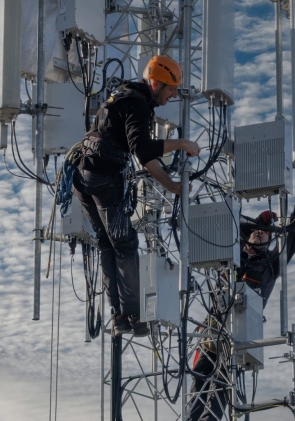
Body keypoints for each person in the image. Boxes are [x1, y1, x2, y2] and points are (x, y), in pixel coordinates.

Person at [72, 55, 200, 337]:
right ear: (155, 83)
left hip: (83, 177)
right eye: (170, 88)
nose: (174, 94)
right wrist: (181, 143)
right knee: (125, 244)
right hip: (103, 179)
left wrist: (172, 186)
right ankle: (133, 315)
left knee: (108, 244)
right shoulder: (137, 104)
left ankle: (119, 315)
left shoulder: (124, 96)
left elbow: (144, 157)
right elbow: (143, 150)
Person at [187, 178, 295, 421]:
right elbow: (225, 228)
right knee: (200, 377)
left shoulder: (270, 265)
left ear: (270, 240)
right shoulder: (230, 255)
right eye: (256, 230)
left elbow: (294, 239)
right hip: (212, 329)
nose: (258, 233)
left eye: (264, 233)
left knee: (223, 380)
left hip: (238, 332)